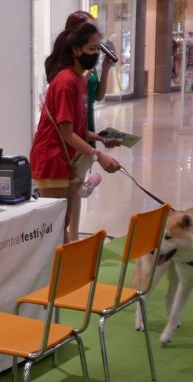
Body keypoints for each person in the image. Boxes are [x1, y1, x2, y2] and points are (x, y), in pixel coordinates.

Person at [30, 21, 121, 243]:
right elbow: (66, 133)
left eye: (98, 49)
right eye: (91, 49)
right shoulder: (65, 82)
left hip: (68, 158)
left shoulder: (80, 81)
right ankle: (56, 273)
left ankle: (65, 271)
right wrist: (98, 156)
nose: (96, 54)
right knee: (56, 225)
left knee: (66, 220)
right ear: (75, 50)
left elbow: (77, 129)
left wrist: (100, 137)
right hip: (52, 159)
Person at [62, 10, 120, 241]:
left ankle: (74, 240)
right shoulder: (69, 72)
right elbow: (75, 89)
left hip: (86, 129)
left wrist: (104, 67)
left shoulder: (91, 65)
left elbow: (99, 95)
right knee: (68, 201)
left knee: (77, 194)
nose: (96, 43)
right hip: (72, 137)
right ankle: (70, 242)